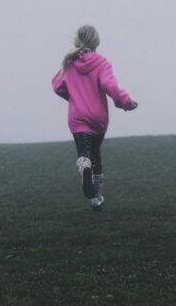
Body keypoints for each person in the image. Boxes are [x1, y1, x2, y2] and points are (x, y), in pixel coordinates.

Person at [52, 25, 137, 210]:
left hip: (77, 117)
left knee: (84, 153)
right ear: (96, 42)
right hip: (98, 118)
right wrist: (126, 102)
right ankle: (96, 198)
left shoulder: (69, 63)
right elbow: (110, 86)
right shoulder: (102, 63)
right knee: (96, 153)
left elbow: (57, 85)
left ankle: (84, 168)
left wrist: (73, 97)